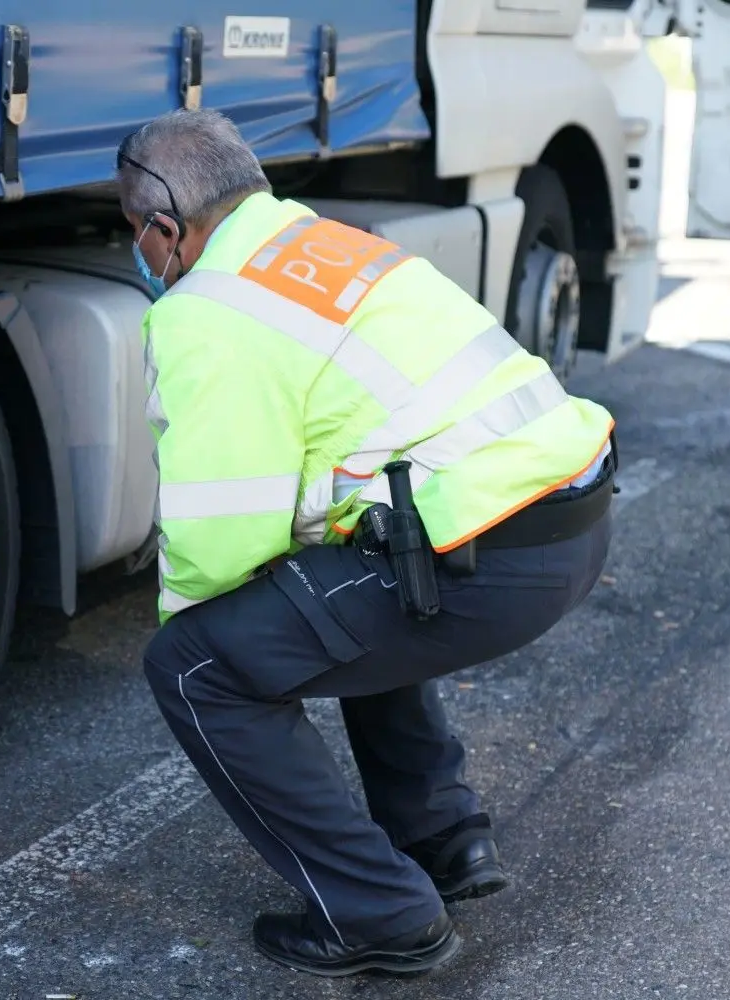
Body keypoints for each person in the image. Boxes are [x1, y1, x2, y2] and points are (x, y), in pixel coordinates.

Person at [118, 108, 616, 978]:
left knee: (197, 666)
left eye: (137, 236)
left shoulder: (207, 311)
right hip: (570, 511)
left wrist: (205, 635)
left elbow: (220, 533)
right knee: (339, 586)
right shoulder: (331, 247)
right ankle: (444, 840)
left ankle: (381, 914)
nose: (142, 253)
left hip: (489, 552)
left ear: (166, 228)